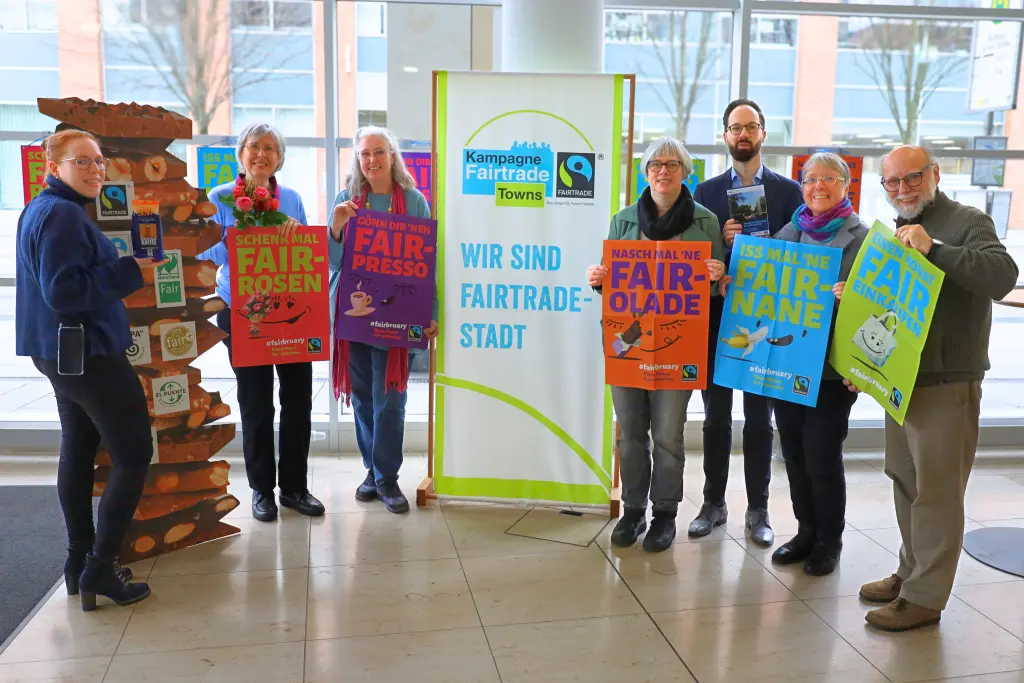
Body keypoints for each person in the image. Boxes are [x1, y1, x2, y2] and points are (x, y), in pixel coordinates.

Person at [852, 146, 1017, 631]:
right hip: (900, 380)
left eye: (912, 178)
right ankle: (911, 572)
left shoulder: (968, 222)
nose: (902, 189)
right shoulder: (888, 235)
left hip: (948, 380)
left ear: (934, 175)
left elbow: (1003, 277)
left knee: (938, 492)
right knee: (905, 480)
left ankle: (925, 597)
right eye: (892, 182)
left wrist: (936, 250)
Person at [16, 129, 157, 610]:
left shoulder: (42, 209)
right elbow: (65, 291)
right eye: (83, 162)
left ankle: (78, 560)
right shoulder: (61, 216)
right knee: (135, 452)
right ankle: (100, 567)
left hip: (59, 354)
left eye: (99, 161)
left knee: (77, 447)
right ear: (54, 168)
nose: (96, 169)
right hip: (89, 355)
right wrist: (129, 269)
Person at [587, 136, 728, 552]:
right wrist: (599, 280)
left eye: (672, 164)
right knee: (630, 432)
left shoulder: (705, 221)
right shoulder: (623, 220)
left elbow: (715, 292)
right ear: (645, 172)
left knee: (668, 434)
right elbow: (614, 284)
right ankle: (633, 511)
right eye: (655, 165)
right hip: (627, 344)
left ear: (685, 172)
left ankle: (664, 512)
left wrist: (716, 276)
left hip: (679, 345)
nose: (663, 171)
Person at [689, 98, 804, 546]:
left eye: (750, 127)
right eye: (735, 127)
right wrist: (720, 241)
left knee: (760, 421)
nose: (743, 135)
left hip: (767, 322)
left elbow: (803, 256)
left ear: (762, 133)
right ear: (724, 135)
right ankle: (712, 504)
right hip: (717, 318)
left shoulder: (790, 192)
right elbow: (693, 257)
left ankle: (758, 510)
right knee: (716, 419)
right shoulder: (704, 192)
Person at [200, 123, 324, 522]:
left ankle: (294, 487)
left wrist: (297, 234)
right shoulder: (219, 198)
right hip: (241, 312)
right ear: (241, 153)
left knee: (298, 401)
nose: (262, 154)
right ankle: (261, 490)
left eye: (270, 148)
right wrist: (241, 232)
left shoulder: (292, 198)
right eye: (254, 147)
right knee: (255, 404)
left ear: (280, 157)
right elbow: (210, 256)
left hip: (291, 312)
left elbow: (306, 252)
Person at [328, 126, 438, 514]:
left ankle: (388, 479)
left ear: (392, 156)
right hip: (354, 316)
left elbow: (426, 264)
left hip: (398, 315)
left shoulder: (413, 201)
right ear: (357, 160)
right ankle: (372, 473)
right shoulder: (346, 201)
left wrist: (431, 313)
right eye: (364, 154)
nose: (371, 160)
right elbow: (334, 262)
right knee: (362, 399)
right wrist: (338, 225)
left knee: (390, 400)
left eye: (378, 152)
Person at [768, 153, 867, 576]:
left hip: (832, 370)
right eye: (810, 179)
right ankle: (805, 529)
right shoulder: (787, 233)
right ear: (802, 186)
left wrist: (857, 296)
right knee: (792, 451)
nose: (819, 187)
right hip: (788, 364)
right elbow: (762, 290)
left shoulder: (864, 240)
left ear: (846, 186)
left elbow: (883, 309)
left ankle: (830, 539)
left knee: (822, 455)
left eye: (830, 179)